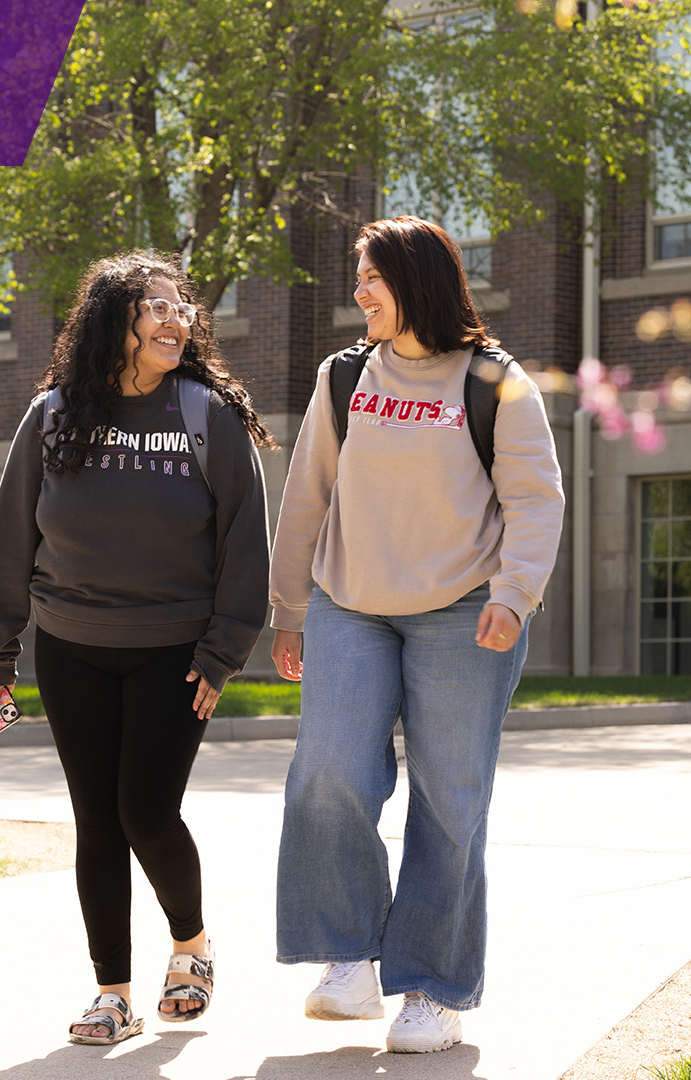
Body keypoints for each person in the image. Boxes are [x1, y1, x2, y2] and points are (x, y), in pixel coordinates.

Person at [0, 250, 273, 1046]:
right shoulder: (54, 414)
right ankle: (112, 995)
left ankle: (191, 946)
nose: (177, 319)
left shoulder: (206, 414)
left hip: (176, 652)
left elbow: (246, 543)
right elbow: (11, 536)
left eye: (181, 308)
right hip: (72, 647)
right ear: (115, 321)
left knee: (147, 812)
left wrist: (223, 651)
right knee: (97, 821)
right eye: (156, 307)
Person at [268, 216, 565, 1053]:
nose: (358, 291)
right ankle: (349, 957)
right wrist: (288, 607)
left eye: (372, 277)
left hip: (465, 608)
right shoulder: (344, 377)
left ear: (416, 280)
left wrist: (515, 594)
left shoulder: (494, 379)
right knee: (328, 771)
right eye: (359, 277)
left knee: (449, 796)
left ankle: (434, 988)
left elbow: (535, 499)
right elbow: (306, 494)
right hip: (350, 603)